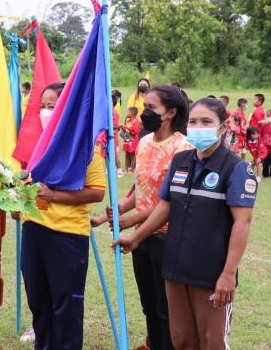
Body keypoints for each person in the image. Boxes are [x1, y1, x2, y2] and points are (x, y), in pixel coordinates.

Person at [112, 97, 257, 350]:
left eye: (206, 122)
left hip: (211, 274)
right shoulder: (180, 161)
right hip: (175, 268)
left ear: (223, 128)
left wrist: (228, 274)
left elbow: (242, 224)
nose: (199, 127)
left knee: (212, 342)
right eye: (193, 121)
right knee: (181, 340)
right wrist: (136, 238)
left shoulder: (236, 169)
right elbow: (165, 206)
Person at [93, 85, 192, 350]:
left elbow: (170, 200)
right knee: (148, 305)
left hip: (166, 236)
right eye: (144, 106)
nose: (144, 113)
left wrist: (131, 222)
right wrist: (110, 215)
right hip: (142, 237)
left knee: (166, 308)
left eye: (151, 108)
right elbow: (142, 189)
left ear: (170, 112)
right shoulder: (145, 142)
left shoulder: (182, 148)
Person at [21, 87, 106, 350]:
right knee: (38, 299)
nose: (47, 112)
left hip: (67, 234)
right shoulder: (36, 143)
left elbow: (97, 192)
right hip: (33, 229)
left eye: (53, 106)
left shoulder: (84, 145)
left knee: (65, 304)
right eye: (43, 106)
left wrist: (55, 196)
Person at [121, 106, 140, 173]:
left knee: (132, 155)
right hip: (127, 139)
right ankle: (126, 169)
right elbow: (126, 130)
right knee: (127, 154)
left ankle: (132, 170)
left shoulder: (136, 121)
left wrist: (126, 127)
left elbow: (135, 131)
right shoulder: (128, 120)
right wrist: (123, 127)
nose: (126, 113)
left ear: (132, 113)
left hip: (133, 140)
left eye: (128, 112)